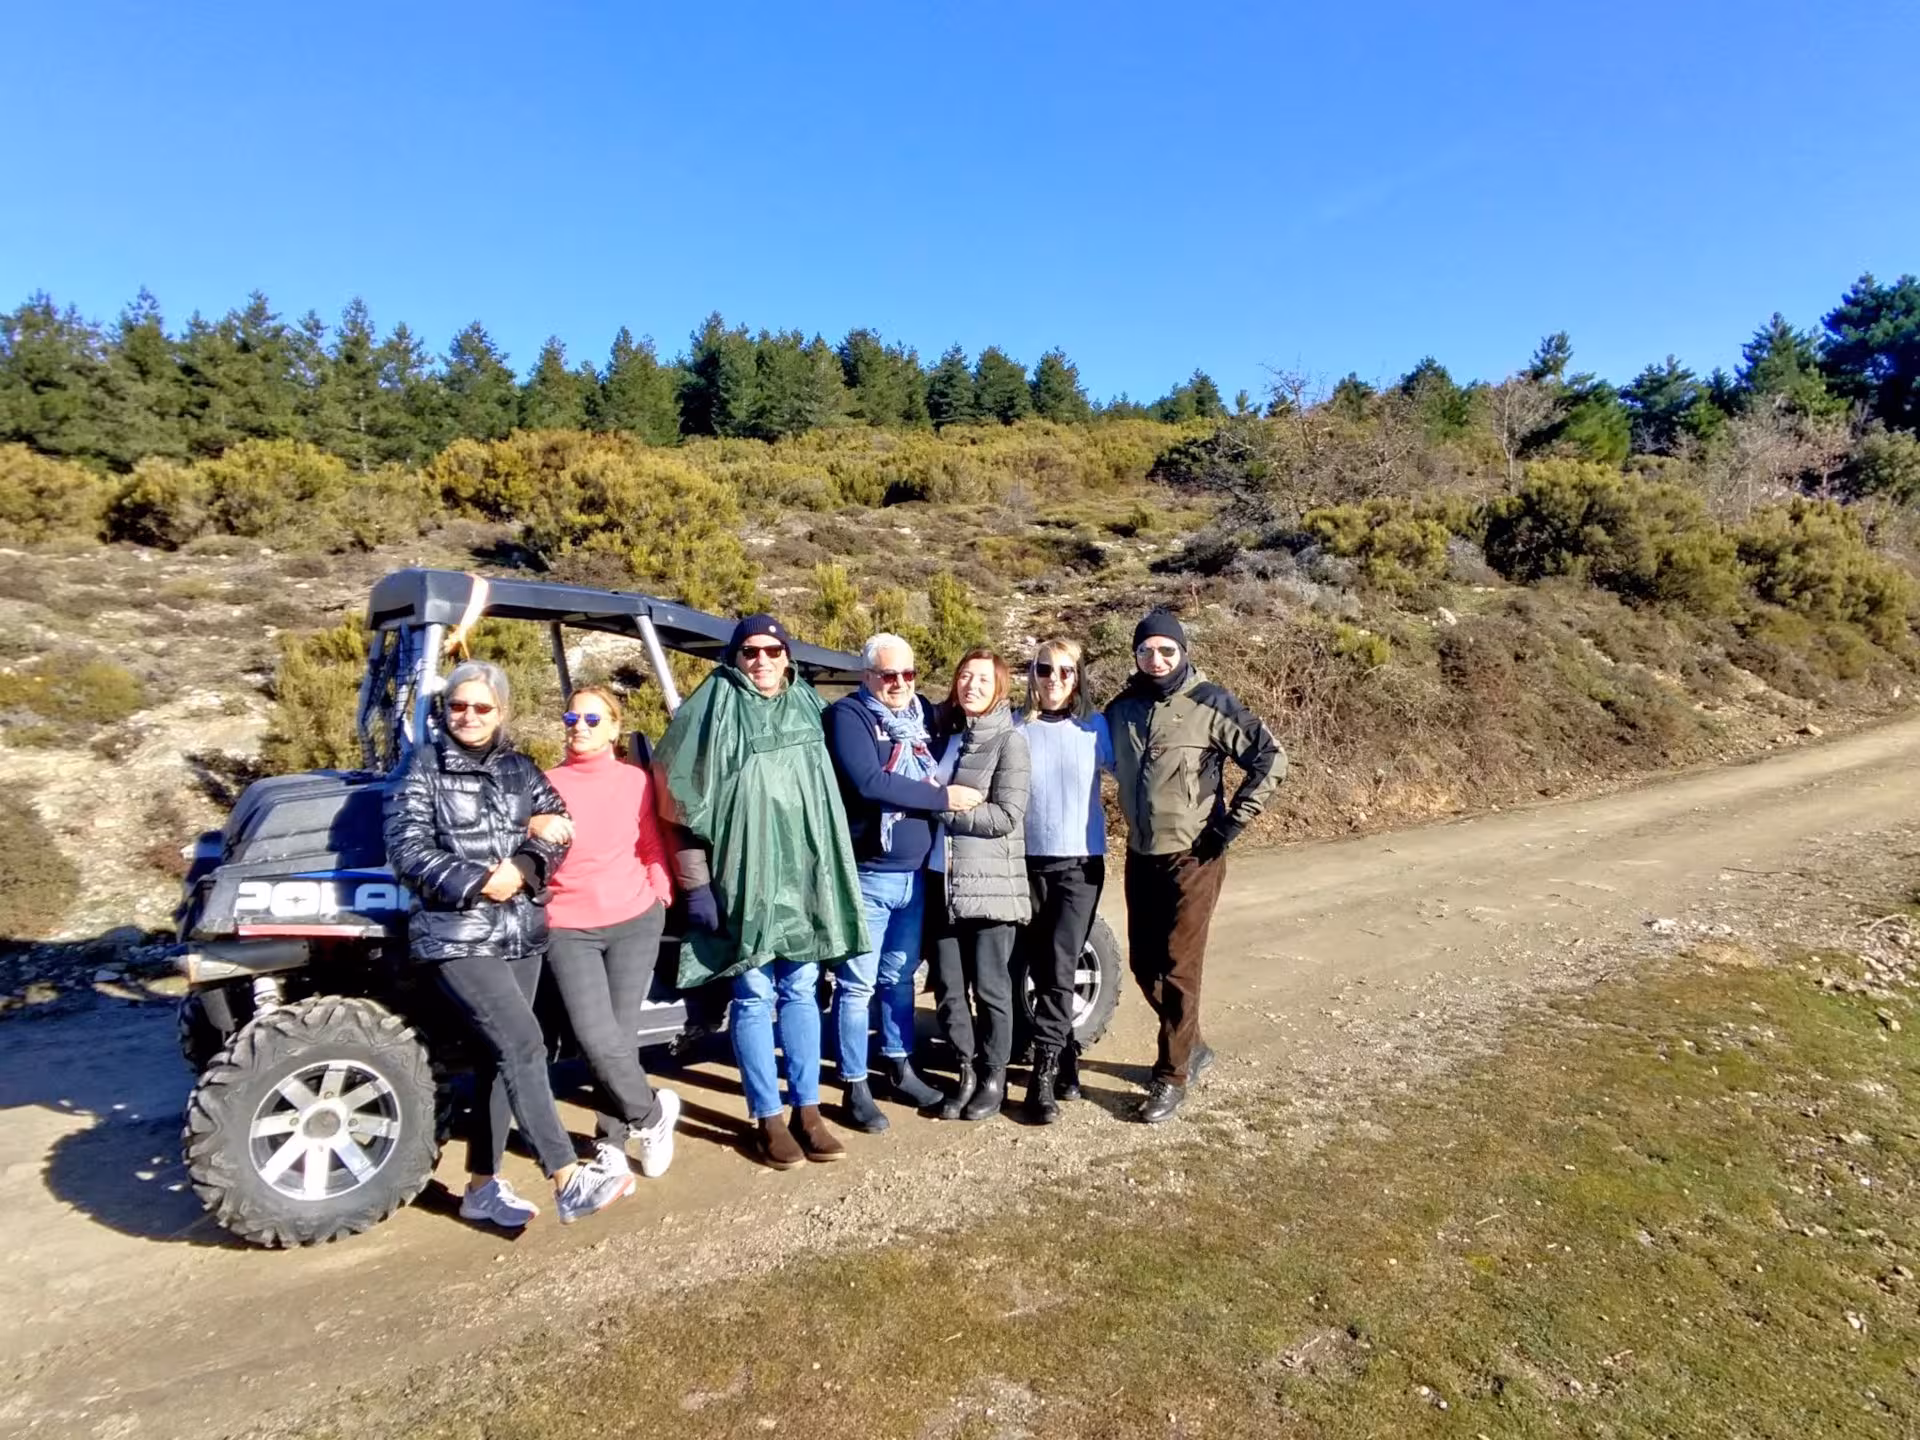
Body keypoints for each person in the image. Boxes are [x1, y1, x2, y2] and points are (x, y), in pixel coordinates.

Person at [383, 660, 633, 1227]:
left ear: (502, 712)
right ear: (445, 711)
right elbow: (408, 850)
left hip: (519, 930)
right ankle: (567, 1177)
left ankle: (481, 1185)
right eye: (458, 706)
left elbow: (560, 825)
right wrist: (480, 880)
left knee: (501, 1059)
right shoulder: (420, 769)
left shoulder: (520, 769)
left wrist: (522, 864)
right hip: (457, 934)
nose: (468, 716)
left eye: (481, 707)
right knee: (523, 1041)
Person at [654, 614, 870, 1169]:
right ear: (735, 656)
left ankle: (808, 1109)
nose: (763, 662)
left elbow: (846, 777)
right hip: (744, 876)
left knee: (801, 990)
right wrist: (696, 884)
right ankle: (766, 1116)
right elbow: (675, 803)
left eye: (774, 651)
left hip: (804, 877)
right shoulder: (710, 708)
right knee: (753, 994)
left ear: (787, 655)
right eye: (751, 651)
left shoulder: (808, 704)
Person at [1105, 610, 1284, 1124]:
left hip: (1195, 855)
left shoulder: (1210, 702)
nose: (1156, 659)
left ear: (1183, 651)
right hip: (1142, 854)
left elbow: (1271, 758)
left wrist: (1231, 825)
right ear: (1135, 655)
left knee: (1180, 968)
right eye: (1146, 650)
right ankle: (1193, 1045)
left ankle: (1172, 1075)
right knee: (1143, 966)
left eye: (1166, 649)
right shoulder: (1125, 708)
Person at [823, 633, 984, 1128]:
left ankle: (898, 1063)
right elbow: (870, 782)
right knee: (856, 983)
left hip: (913, 876)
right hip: (869, 874)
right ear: (867, 676)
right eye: (888, 675)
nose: (898, 684)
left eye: (907, 675)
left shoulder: (921, 721)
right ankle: (854, 1084)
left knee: (897, 979)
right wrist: (943, 798)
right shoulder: (849, 716)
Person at [541, 685, 682, 1182]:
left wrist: (661, 890)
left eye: (592, 719)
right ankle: (652, 1115)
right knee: (594, 1038)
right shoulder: (544, 783)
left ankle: (610, 1141)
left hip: (633, 919)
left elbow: (649, 841)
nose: (579, 726)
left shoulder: (635, 781)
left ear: (614, 728)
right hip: (568, 925)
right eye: (571, 717)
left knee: (619, 1036)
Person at [926, 648, 1031, 1122]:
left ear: (999, 689)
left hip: (989, 886)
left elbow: (1007, 816)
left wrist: (939, 806)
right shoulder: (945, 737)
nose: (971, 685)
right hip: (940, 882)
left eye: (983, 680)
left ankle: (994, 1076)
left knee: (991, 989)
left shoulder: (1010, 742)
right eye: (965, 676)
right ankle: (964, 1070)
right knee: (949, 988)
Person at [1014, 637, 1112, 1124]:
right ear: (1032, 674)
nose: (1054, 680)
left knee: (1059, 967)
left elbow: (1140, 769)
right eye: (1045, 670)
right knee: (1029, 961)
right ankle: (1067, 1054)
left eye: (1066, 671)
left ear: (1079, 679)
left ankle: (1043, 1076)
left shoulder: (1096, 728)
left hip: (1080, 864)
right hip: (1024, 862)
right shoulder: (1015, 727)